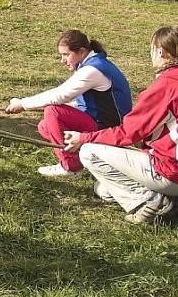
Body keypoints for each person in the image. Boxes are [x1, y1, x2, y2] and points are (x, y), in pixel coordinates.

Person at [63, 26, 178, 225]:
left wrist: (84, 138)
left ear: (160, 51)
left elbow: (129, 132)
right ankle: (167, 199)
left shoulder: (167, 85)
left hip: (170, 171)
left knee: (89, 152)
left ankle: (152, 201)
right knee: (104, 189)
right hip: (169, 164)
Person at [6, 29, 132, 177]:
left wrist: (22, 104)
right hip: (101, 120)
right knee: (45, 127)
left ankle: (71, 166)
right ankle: (88, 153)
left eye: (66, 55)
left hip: (109, 127)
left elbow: (60, 95)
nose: (62, 60)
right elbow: (89, 103)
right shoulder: (92, 64)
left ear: (82, 51)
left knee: (53, 111)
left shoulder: (92, 70)